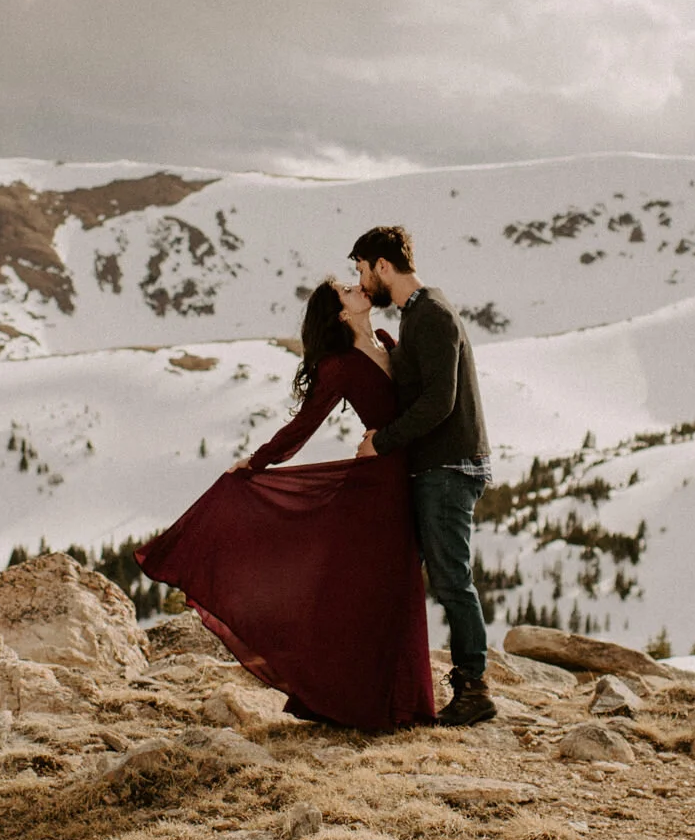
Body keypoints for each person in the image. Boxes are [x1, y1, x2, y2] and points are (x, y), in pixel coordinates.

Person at [135, 279, 436, 730]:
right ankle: (373, 705)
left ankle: (398, 701)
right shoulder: (340, 365)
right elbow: (303, 425)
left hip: (402, 476)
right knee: (382, 588)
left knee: (398, 588)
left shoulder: (388, 343)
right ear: (340, 314)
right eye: (348, 291)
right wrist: (256, 463)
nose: (359, 288)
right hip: (378, 486)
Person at [349, 224, 497, 727]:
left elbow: (440, 401)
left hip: (450, 466)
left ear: (383, 266)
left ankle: (474, 688)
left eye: (362, 270)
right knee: (444, 579)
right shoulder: (420, 315)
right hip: (440, 465)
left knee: (454, 581)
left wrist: (382, 442)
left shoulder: (431, 315)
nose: (362, 280)